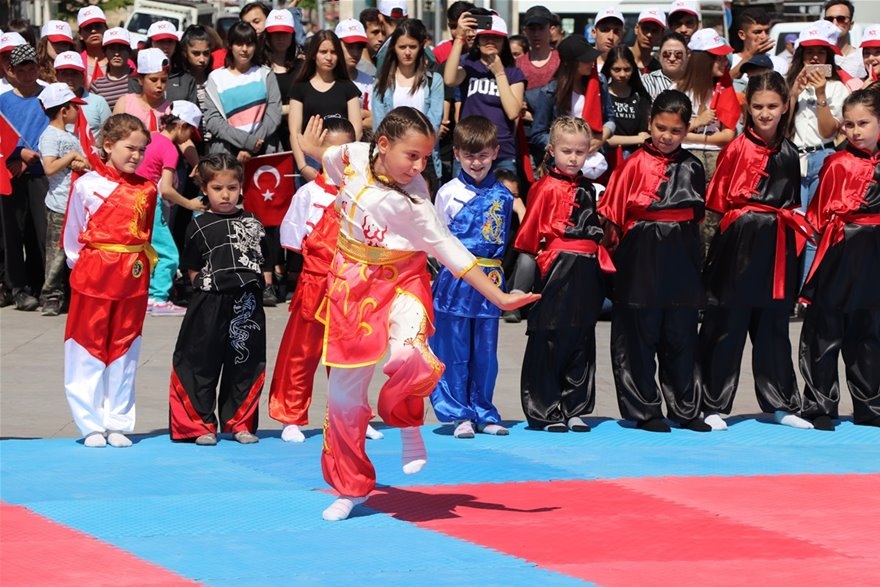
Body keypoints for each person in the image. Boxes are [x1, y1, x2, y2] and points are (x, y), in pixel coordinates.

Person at [294, 107, 538, 521]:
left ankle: (408, 424)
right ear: (383, 145)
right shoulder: (351, 155)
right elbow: (331, 167)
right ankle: (351, 488)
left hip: (404, 280)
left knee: (409, 355)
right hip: (352, 284)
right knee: (342, 399)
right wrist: (316, 151)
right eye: (412, 156)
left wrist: (498, 297)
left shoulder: (416, 198)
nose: (420, 166)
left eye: (426, 157)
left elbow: (447, 248)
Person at [697, 73, 814, 431]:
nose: (765, 113)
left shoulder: (791, 152)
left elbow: (792, 202)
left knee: (774, 323)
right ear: (748, 107)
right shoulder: (735, 148)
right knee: (726, 322)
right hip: (738, 239)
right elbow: (716, 204)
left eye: (772, 107)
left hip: (777, 241)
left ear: (784, 108)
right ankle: (711, 402)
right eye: (759, 106)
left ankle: (781, 402)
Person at [597, 90, 709, 433]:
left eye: (675, 131)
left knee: (681, 334)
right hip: (640, 257)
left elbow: (700, 220)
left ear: (687, 129)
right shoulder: (631, 165)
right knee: (638, 335)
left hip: (681, 257)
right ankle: (644, 409)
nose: (667, 136)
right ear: (649, 123)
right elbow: (612, 221)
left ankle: (685, 407)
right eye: (661, 128)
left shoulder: (692, 166)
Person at [269, 118, 385, 443]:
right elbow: (292, 240)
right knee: (301, 352)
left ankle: (353, 415)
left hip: (352, 285)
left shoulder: (366, 194)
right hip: (315, 284)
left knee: (352, 357)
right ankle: (290, 416)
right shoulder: (307, 194)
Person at [62, 113, 156, 448]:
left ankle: (117, 419)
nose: (136, 155)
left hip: (132, 276)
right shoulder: (86, 185)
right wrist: (86, 268)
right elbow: (72, 236)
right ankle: (89, 423)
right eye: (130, 148)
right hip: (94, 274)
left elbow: (145, 234)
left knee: (125, 347)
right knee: (86, 347)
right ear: (108, 145)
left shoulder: (148, 188)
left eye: (142, 150)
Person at [514, 116, 610, 433]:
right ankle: (545, 409)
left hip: (587, 269)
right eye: (567, 151)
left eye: (580, 152)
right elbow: (528, 242)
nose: (573, 158)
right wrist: (519, 291)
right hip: (554, 268)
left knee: (581, 337)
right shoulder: (542, 189)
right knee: (548, 337)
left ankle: (576, 407)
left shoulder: (591, 190)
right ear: (552, 150)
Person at [168, 154, 268, 446]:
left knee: (245, 361)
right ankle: (198, 424)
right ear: (204, 189)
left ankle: (240, 422)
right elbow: (193, 266)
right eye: (217, 188)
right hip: (209, 301)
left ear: (241, 187)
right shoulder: (198, 224)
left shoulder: (253, 221)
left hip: (247, 302)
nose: (225, 194)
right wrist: (203, 285)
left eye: (232, 188)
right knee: (200, 360)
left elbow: (263, 258)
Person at [799, 86, 880, 430]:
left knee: (870, 329)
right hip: (841, 247)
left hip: (876, 251)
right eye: (849, 124)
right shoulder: (836, 163)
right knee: (825, 327)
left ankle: (870, 404)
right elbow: (816, 218)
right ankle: (819, 403)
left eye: (864, 122)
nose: (856, 131)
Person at [429, 116, 514, 439]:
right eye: (469, 155)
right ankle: (457, 413)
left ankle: (484, 409)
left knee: (485, 351)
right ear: (457, 153)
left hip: (490, 280)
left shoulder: (504, 196)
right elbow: (437, 238)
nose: (476, 162)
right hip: (456, 280)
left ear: (495, 152)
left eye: (482, 155)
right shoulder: (448, 193)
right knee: (454, 349)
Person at [786, 22, 850, 306]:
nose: (814, 59)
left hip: (822, 157)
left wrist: (821, 95)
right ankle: (786, 290)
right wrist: (793, 93)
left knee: (815, 229)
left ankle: (805, 294)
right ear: (800, 55)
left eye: (820, 54)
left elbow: (828, 132)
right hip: (792, 157)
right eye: (809, 53)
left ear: (829, 57)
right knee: (791, 228)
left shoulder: (837, 88)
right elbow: (782, 129)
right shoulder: (789, 85)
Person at [136, 101, 207, 316]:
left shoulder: (152, 139)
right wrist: (190, 203)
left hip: (138, 201)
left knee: (149, 251)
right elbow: (165, 189)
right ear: (181, 126)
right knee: (168, 253)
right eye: (190, 132)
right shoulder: (170, 149)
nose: (189, 139)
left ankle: (148, 295)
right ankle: (157, 299)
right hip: (151, 202)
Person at [443, 13, 526, 173]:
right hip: (468, 148)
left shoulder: (513, 73)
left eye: (496, 38)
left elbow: (513, 112)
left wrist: (499, 73)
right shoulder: (469, 65)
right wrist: (459, 38)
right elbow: (449, 79)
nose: (490, 42)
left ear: (504, 42)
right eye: (485, 37)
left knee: (501, 198)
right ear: (477, 40)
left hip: (501, 151)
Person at [0, 43, 49, 311]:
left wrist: (35, 156)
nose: (29, 73)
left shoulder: (48, 97)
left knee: (40, 231)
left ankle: (44, 285)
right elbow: (1, 137)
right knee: (13, 231)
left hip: (41, 172)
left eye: (33, 67)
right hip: (12, 172)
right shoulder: (3, 101)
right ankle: (18, 287)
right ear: (12, 71)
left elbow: (56, 131)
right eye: (23, 69)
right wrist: (18, 154)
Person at [37, 83, 90, 317]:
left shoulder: (70, 136)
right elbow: (49, 167)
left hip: (75, 203)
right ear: (63, 110)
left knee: (73, 251)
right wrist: (70, 157)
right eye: (74, 106)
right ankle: (50, 295)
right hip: (59, 205)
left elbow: (83, 162)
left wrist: (80, 162)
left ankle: (70, 294)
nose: (78, 111)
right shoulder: (49, 136)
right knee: (56, 253)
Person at [371, 19, 443, 181]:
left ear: (421, 46)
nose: (407, 52)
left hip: (424, 160)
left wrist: (414, 149)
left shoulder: (434, 81)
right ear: (394, 48)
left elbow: (434, 123)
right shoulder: (381, 82)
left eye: (412, 46)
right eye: (402, 47)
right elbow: (379, 124)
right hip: (392, 159)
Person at [288, 30, 361, 185]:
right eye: (323, 52)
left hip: (342, 160)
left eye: (333, 52)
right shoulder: (300, 88)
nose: (329, 57)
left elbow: (356, 130)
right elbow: (295, 132)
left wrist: (344, 160)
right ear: (314, 54)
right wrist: (303, 166)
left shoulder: (348, 87)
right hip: (310, 162)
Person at [205, 21, 283, 160]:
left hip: (264, 151)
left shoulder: (265, 74)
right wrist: (247, 142)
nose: (245, 49)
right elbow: (213, 120)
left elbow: (274, 113)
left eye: (249, 44)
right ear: (230, 45)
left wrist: (254, 144)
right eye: (239, 44)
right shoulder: (216, 78)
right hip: (227, 154)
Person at [602, 46, 651, 157]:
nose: (622, 75)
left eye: (627, 69)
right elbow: (602, 139)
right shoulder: (602, 96)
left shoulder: (640, 96)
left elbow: (645, 134)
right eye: (617, 69)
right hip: (608, 158)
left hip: (634, 158)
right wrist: (637, 139)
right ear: (609, 69)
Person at [53, 51, 111, 138]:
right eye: (64, 73)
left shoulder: (98, 102)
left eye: (74, 73)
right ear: (57, 76)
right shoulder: (50, 103)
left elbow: (110, 133)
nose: (70, 78)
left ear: (82, 75)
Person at [335, 19, 374, 136]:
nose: (356, 53)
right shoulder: (326, 79)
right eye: (350, 46)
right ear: (336, 45)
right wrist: (359, 115)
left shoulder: (369, 81)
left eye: (360, 47)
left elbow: (375, 119)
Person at [89, 27, 133, 110]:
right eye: (112, 49)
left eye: (121, 48)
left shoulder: (139, 80)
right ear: (104, 52)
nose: (116, 53)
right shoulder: (97, 86)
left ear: (129, 52)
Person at [729, 7, 775, 86]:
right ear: (742, 35)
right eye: (757, 32)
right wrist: (750, 55)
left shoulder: (779, 62)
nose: (764, 36)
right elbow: (724, 85)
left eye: (767, 31)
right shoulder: (730, 62)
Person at [824, 0, 866, 80]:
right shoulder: (817, 56)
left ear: (851, 25)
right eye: (829, 19)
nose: (834, 23)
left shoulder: (863, 57)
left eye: (841, 19)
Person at [642, 32, 690, 101]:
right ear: (659, 54)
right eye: (666, 54)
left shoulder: (695, 82)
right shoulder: (646, 81)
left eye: (678, 54)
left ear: (687, 55)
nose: (672, 58)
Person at [77, 6, 108, 87]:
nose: (93, 31)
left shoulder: (124, 62)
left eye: (98, 26)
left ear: (106, 29)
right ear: (80, 34)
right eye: (88, 28)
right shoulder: (76, 63)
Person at [630, 9, 665, 74]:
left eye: (655, 31)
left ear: (661, 34)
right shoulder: (619, 58)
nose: (649, 35)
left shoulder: (660, 69)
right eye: (645, 28)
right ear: (636, 28)